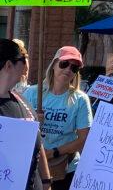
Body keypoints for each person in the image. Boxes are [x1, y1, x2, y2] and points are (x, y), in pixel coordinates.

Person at [24, 46, 93, 190]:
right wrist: (35, 122)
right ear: (54, 64)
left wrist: (53, 152)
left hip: (66, 169)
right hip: (34, 167)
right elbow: (20, 130)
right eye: (64, 63)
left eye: (74, 68)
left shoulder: (80, 99)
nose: (68, 69)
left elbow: (83, 140)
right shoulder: (32, 93)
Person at [0, 39, 52, 190]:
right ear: (9, 65)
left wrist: (47, 181)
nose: (26, 67)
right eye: (22, 60)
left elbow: (37, 144)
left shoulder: (22, 100)